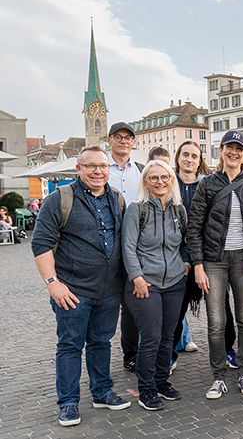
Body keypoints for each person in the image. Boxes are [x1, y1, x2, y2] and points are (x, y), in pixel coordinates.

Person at [31, 145, 131, 427]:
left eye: (103, 166)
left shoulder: (116, 198)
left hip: (109, 290)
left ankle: (101, 392)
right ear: (79, 169)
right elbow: (41, 244)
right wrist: (53, 284)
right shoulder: (59, 199)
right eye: (91, 166)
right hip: (72, 291)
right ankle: (68, 402)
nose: (98, 171)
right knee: (70, 346)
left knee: (101, 343)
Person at [186, 130, 243, 400]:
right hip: (214, 262)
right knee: (216, 322)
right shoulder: (207, 184)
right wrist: (197, 264)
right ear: (220, 150)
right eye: (228, 147)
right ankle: (218, 376)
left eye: (239, 149)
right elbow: (195, 226)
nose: (233, 152)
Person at [121, 160, 188, 410]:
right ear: (145, 182)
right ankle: (146, 389)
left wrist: (186, 264)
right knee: (150, 337)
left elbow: (185, 242)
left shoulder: (178, 209)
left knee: (167, 337)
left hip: (173, 282)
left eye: (165, 177)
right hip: (144, 283)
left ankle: (161, 382)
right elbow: (127, 247)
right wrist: (137, 277)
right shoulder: (136, 209)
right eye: (153, 178)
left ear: (172, 180)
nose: (160, 182)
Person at [170, 141, 211, 370]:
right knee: (177, 310)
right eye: (185, 155)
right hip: (176, 258)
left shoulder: (205, 185)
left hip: (205, 254)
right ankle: (169, 355)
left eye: (194, 156)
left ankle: (225, 352)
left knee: (219, 307)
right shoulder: (168, 182)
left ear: (199, 160)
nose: (189, 159)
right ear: (178, 158)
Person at [106, 121, 143, 373]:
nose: (123, 141)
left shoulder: (140, 170)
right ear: (109, 140)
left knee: (131, 306)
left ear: (133, 142)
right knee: (108, 302)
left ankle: (132, 354)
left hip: (136, 245)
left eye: (127, 137)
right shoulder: (100, 168)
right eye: (118, 137)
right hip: (107, 245)